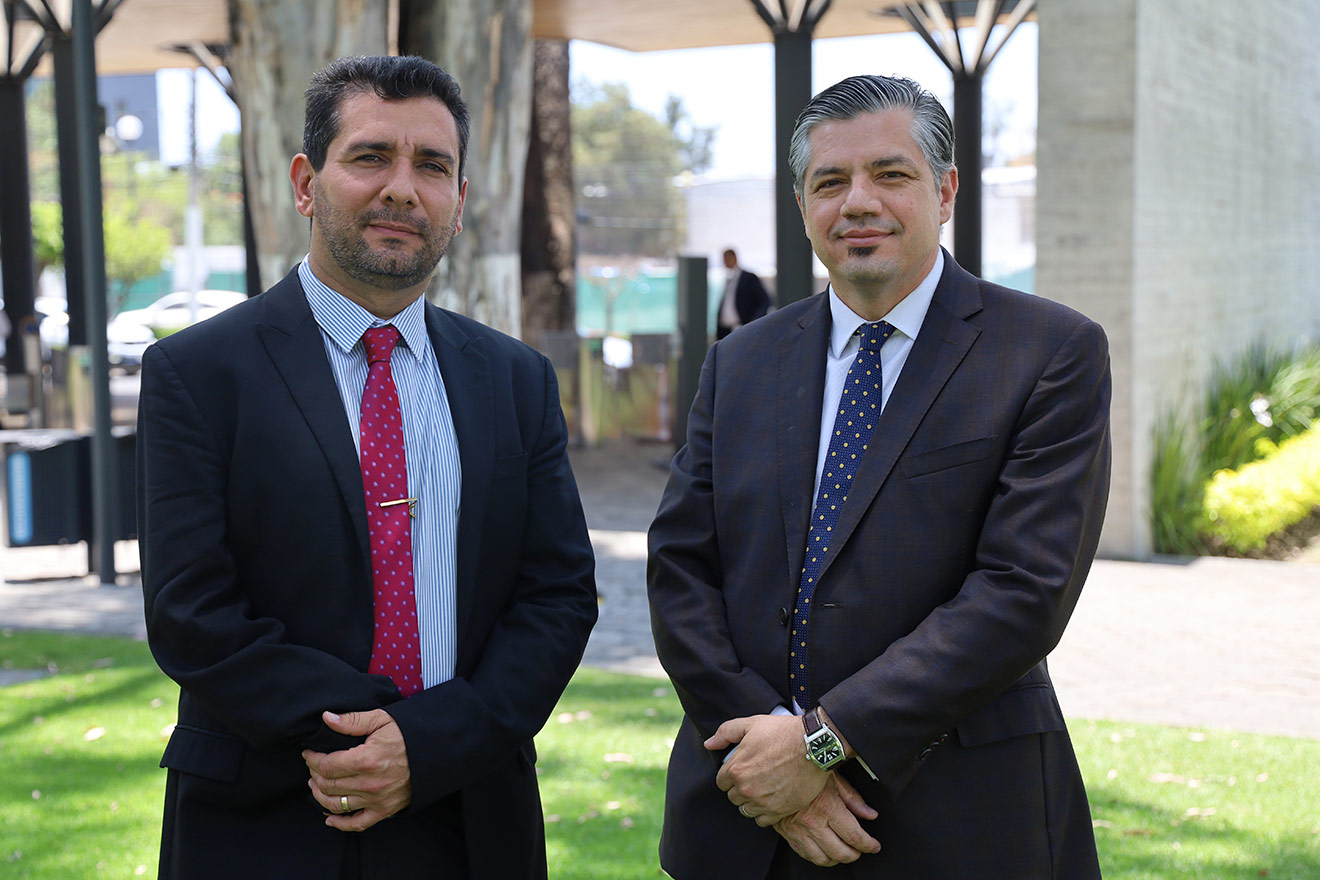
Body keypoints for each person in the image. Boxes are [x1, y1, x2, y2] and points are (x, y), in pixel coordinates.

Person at [136, 55, 597, 879]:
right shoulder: (200, 374)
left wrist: (429, 743)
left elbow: (557, 595)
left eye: (433, 166)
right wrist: (372, 735)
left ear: (458, 204)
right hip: (266, 816)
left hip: (471, 813)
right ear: (307, 181)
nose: (401, 188)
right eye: (371, 156)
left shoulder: (516, 380)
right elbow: (189, 610)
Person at [647, 74, 1110, 879]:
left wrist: (823, 742)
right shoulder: (740, 362)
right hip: (744, 814)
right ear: (803, 205)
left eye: (890, 174)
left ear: (946, 191)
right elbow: (681, 571)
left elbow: (1022, 591)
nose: (857, 201)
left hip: (955, 821)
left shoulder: (1046, 352)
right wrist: (772, 756)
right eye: (830, 181)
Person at [716, 248, 772, 339]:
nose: (724, 262)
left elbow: (765, 301)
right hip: (725, 329)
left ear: (734, 258)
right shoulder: (728, 279)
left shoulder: (748, 278)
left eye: (726, 259)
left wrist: (754, 321)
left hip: (742, 327)